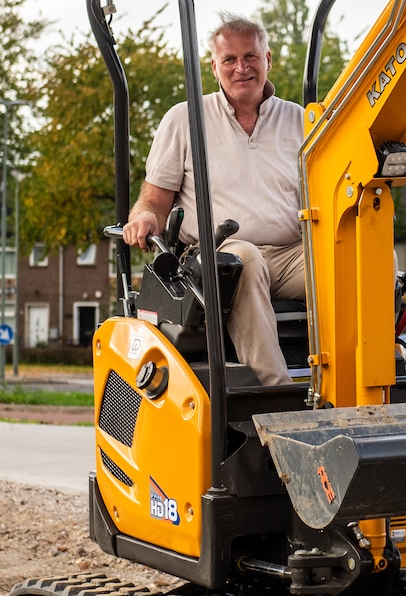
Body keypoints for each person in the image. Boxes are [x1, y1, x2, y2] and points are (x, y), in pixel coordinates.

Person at [123, 14, 305, 386]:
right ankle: (277, 395)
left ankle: (366, 377)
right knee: (245, 258)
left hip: (290, 255)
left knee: (366, 254)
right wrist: (142, 217)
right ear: (214, 66)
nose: (242, 68)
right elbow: (153, 200)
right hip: (214, 255)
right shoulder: (184, 119)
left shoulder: (299, 120)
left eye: (251, 57)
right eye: (230, 59)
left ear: (268, 59)